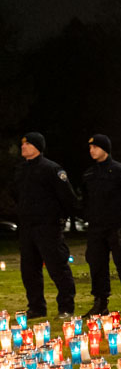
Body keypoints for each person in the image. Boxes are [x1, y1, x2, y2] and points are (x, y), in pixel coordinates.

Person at [12, 132, 78, 318]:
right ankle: (36, 307)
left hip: (48, 227)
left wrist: (59, 219)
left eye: (27, 144)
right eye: (22, 143)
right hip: (27, 227)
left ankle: (66, 307)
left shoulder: (51, 169)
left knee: (57, 267)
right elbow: (16, 194)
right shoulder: (20, 170)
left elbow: (67, 197)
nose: (23, 146)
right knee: (29, 270)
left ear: (37, 147)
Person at [81, 134, 121, 315]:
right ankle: (100, 302)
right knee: (96, 265)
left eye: (95, 147)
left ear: (105, 149)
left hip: (117, 226)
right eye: (90, 147)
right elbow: (85, 199)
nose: (92, 150)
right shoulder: (89, 174)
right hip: (96, 227)